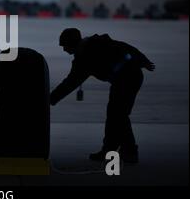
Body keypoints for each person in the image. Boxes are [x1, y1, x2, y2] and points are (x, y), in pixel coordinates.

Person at [50, 28, 155, 163]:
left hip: (129, 78)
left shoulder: (88, 54)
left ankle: (128, 152)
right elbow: (125, 46)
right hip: (122, 80)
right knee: (115, 115)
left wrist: (51, 99)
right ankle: (113, 150)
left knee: (118, 116)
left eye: (65, 45)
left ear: (72, 43)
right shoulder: (88, 51)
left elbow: (70, 83)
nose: (64, 50)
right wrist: (143, 60)